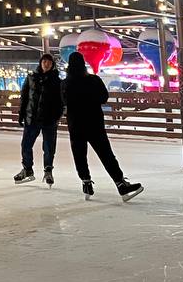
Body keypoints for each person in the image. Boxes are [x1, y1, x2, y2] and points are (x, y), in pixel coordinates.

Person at [63, 51, 143, 201]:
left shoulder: (66, 83)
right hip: (94, 123)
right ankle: (120, 183)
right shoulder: (93, 80)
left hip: (76, 124)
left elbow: (64, 101)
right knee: (106, 154)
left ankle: (86, 182)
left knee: (79, 154)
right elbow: (104, 97)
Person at [15, 53, 63, 185]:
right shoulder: (31, 78)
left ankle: (48, 171)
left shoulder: (57, 81)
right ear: (40, 63)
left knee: (48, 147)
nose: (46, 64)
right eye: (44, 61)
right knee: (26, 145)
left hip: (49, 120)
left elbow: (61, 102)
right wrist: (21, 114)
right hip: (32, 118)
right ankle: (27, 169)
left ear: (52, 64)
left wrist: (57, 116)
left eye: (49, 62)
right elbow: (24, 97)